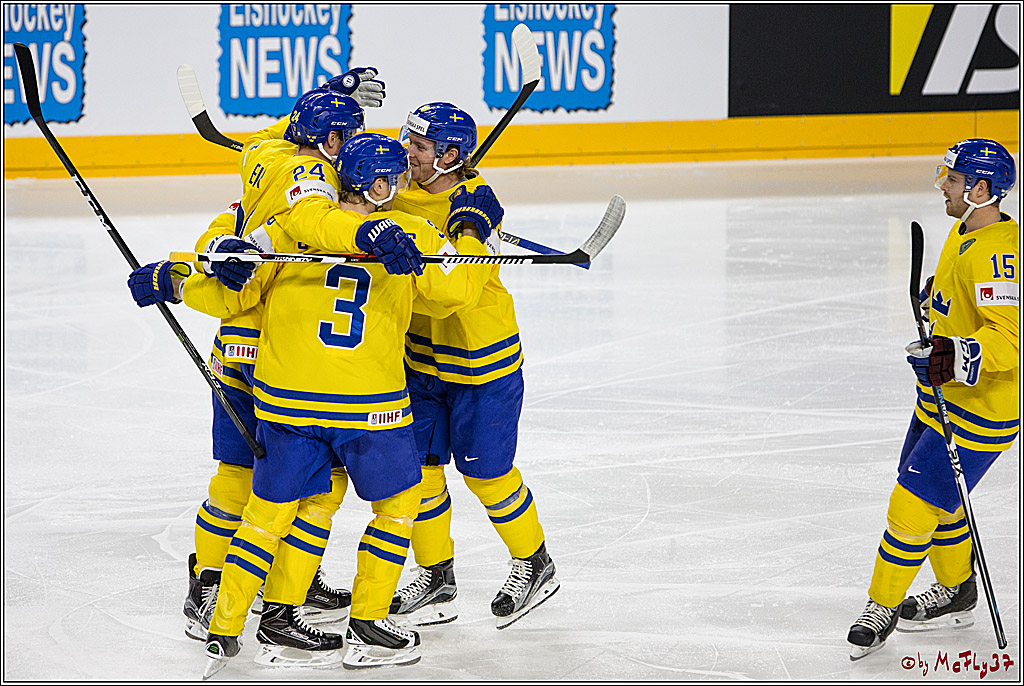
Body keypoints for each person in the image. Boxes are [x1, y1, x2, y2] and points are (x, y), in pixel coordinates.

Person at [132, 131, 488, 673]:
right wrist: (470, 232)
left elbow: (234, 293)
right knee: (395, 509)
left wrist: (175, 279)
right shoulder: (412, 233)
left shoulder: (288, 227)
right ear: (382, 185)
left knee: (273, 513)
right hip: (370, 408)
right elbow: (458, 291)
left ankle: (233, 628)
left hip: (286, 406)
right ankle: (368, 625)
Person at [387, 102, 560, 630]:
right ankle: (437, 576)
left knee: (487, 473)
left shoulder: (475, 204)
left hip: (482, 364)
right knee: (418, 473)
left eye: (417, 147)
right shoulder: (395, 193)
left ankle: (535, 563)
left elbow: (451, 298)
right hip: (422, 360)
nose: (406, 153)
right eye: (408, 142)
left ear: (451, 155)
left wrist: (469, 228)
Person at [847, 138, 1019, 660]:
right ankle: (957, 592)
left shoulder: (1001, 253)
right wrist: (936, 305)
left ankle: (882, 606)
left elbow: (1010, 339)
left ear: (980, 188)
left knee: (912, 506)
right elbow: (964, 306)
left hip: (980, 410)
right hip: (938, 398)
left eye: (951, 178)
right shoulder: (964, 229)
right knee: (942, 502)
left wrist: (955, 351)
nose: (941, 185)